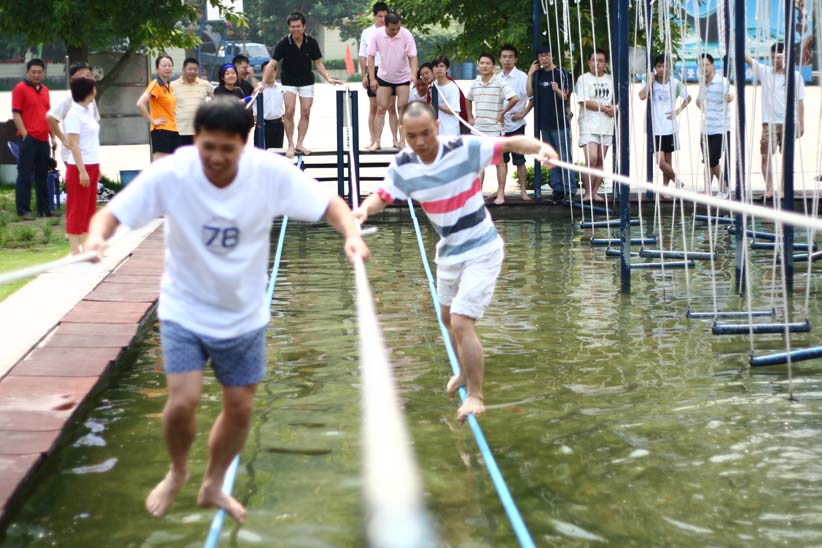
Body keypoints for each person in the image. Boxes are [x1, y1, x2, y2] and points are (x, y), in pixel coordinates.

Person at [83, 98, 369, 523]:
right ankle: (178, 471)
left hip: (243, 313)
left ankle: (213, 484)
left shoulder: (268, 173)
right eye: (208, 147)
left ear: (244, 142)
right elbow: (110, 215)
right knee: (184, 401)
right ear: (195, 139)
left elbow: (331, 204)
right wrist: (96, 239)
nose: (216, 158)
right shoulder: (172, 173)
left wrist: (351, 235)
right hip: (185, 307)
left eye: (227, 149)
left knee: (240, 406)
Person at [353, 101, 557, 422]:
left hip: (482, 248)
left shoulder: (463, 149)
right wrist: (364, 210)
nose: (420, 142)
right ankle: (463, 373)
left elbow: (510, 143)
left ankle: (476, 395)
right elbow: (384, 195)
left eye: (426, 133)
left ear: (437, 126)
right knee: (447, 319)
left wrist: (541, 148)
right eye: (411, 136)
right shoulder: (404, 165)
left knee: (462, 321)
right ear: (403, 134)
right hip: (449, 251)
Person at [264, 12, 343, 158]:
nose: (295, 29)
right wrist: (262, 84)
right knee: (289, 112)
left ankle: (300, 143)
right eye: (292, 27)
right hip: (289, 80)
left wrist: (328, 78)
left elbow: (318, 62)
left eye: (298, 26)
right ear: (289, 27)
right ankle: (290, 144)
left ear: (304, 26)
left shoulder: (311, 42)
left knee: (306, 112)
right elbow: (272, 63)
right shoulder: (283, 43)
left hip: (306, 80)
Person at [744, 43, 805, 200]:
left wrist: (801, 123)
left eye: (778, 57)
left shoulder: (795, 76)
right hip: (768, 122)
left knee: (786, 158)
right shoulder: (765, 72)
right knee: (765, 155)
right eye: (773, 57)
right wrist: (734, 38)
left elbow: (800, 101)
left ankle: (783, 189)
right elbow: (747, 59)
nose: (775, 60)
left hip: (788, 122)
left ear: (785, 57)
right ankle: (770, 188)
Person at [465, 53, 519, 205]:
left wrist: (503, 112)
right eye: (482, 63)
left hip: (495, 129)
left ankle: (500, 193)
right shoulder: (475, 83)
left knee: (499, 161)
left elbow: (514, 98)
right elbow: (468, 99)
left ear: (494, 66)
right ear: (478, 66)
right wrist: (470, 116)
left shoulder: (500, 82)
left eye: (488, 63)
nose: (484, 66)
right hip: (478, 129)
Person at [637, 54, 691, 191]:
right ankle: (676, 180)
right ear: (655, 67)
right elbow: (641, 96)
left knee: (668, 159)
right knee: (660, 161)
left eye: (665, 66)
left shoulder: (675, 83)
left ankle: (665, 189)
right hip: (654, 126)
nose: (662, 69)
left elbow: (688, 97)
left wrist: (677, 111)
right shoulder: (649, 80)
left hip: (669, 126)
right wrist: (650, 81)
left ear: (669, 68)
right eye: (659, 66)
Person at [528, 45, 574, 201]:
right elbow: (530, 93)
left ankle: (570, 189)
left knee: (564, 156)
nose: (544, 58)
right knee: (550, 157)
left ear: (552, 56)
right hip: (544, 123)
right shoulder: (538, 74)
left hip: (559, 122)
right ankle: (557, 189)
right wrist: (530, 74)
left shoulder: (561, 72)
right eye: (541, 56)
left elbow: (565, 96)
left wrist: (557, 89)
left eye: (547, 55)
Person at [367, 12, 418, 150]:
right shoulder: (377, 34)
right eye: (392, 29)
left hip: (403, 77)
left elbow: (413, 56)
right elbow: (370, 56)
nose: (395, 31)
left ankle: (402, 141)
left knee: (402, 109)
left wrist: (414, 75)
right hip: (384, 76)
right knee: (381, 108)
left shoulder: (406, 34)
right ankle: (377, 141)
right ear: (385, 25)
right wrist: (372, 78)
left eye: (397, 28)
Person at [12, 58, 55, 219]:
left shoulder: (45, 90)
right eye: (33, 72)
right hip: (28, 138)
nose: (36, 75)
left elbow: (48, 116)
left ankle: (44, 209)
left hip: (43, 139)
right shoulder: (20, 88)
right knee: (25, 174)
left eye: (39, 72)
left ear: (44, 73)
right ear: (27, 72)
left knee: (42, 175)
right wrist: (24, 133)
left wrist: (53, 137)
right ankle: (23, 210)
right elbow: (16, 113)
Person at [63, 76, 100, 255]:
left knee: (89, 208)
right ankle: (74, 250)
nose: (95, 91)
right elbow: (74, 144)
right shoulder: (74, 114)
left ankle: (87, 247)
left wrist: (97, 168)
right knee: (77, 207)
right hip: (79, 167)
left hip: (92, 164)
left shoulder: (88, 110)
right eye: (93, 88)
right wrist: (82, 170)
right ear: (87, 91)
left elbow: (91, 141)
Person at [574, 48, 614, 202]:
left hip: (607, 124)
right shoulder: (583, 79)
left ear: (605, 63)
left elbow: (617, 101)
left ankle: (595, 192)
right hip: (589, 124)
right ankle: (587, 192)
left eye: (600, 61)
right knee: (591, 159)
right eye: (594, 60)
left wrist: (614, 108)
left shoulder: (610, 79)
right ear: (588, 62)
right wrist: (605, 108)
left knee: (600, 160)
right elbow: (584, 101)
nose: (597, 64)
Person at [359, 2, 399, 150]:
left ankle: (395, 139)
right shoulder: (367, 33)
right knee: (374, 107)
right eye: (380, 16)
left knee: (391, 107)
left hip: (390, 70)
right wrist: (365, 76)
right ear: (375, 16)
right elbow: (363, 55)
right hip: (373, 71)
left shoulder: (394, 31)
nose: (383, 19)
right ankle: (374, 139)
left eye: (385, 16)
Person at [48, 63, 99, 172]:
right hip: (73, 156)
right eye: (85, 75)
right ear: (74, 79)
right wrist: (64, 140)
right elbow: (50, 117)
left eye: (90, 75)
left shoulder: (90, 98)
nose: (89, 78)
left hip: (89, 156)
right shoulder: (69, 97)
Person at [498, 45, 533, 202]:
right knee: (501, 161)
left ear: (515, 59)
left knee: (519, 160)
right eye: (504, 57)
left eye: (510, 57)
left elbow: (532, 98)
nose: (507, 60)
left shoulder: (522, 77)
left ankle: (523, 191)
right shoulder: (497, 77)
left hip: (516, 124)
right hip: (500, 126)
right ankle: (501, 192)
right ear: (500, 59)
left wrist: (523, 113)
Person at [695, 53, 733, 197]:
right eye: (701, 66)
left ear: (713, 65)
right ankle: (708, 190)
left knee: (712, 159)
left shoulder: (722, 81)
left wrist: (729, 97)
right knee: (707, 160)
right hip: (706, 127)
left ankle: (723, 187)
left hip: (720, 127)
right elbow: (699, 100)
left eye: (706, 65)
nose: (703, 68)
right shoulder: (702, 82)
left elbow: (730, 95)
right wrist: (702, 107)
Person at [137, 54, 178, 161]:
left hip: (173, 129)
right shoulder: (155, 84)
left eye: (170, 65)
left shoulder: (169, 86)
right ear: (157, 68)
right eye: (164, 66)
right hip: (161, 130)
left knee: (172, 164)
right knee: (161, 165)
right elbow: (140, 104)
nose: (167, 68)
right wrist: (153, 121)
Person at [171, 58, 213, 147]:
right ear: (183, 69)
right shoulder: (172, 86)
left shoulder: (205, 84)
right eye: (190, 69)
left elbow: (217, 100)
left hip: (199, 131)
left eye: (195, 69)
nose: (193, 72)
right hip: (179, 131)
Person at [431, 55, 462, 137]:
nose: (439, 69)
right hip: (437, 132)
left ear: (447, 69)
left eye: (442, 66)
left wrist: (436, 105)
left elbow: (454, 110)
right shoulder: (433, 86)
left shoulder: (452, 87)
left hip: (450, 131)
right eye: (436, 66)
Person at [261, 61, 285, 149]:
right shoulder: (258, 88)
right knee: (262, 151)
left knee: (277, 152)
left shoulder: (282, 87)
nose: (270, 74)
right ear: (262, 73)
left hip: (279, 125)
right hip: (263, 125)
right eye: (267, 71)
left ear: (276, 72)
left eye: (272, 71)